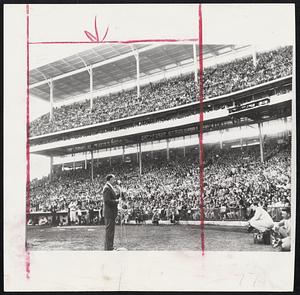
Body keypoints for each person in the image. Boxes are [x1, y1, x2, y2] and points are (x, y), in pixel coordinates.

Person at [103, 174, 120, 251]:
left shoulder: (109, 187)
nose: (115, 181)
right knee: (109, 231)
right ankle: (109, 248)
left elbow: (113, 197)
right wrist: (116, 201)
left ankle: (110, 247)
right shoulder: (107, 188)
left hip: (111, 212)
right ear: (110, 180)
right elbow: (107, 201)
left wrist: (119, 194)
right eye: (113, 179)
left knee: (111, 231)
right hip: (109, 212)